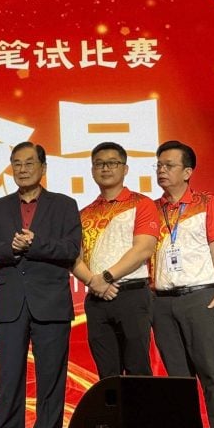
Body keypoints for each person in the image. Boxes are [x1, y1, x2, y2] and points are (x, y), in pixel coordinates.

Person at [0, 141, 81, 428]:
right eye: (16, 164)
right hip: (11, 303)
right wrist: (10, 248)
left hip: (51, 301)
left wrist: (35, 244)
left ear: (43, 167)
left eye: (29, 163)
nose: (22, 169)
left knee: (51, 373)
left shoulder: (64, 205)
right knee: (9, 373)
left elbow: (71, 249)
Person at [150, 140, 214, 428]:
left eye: (169, 165)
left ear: (187, 172)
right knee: (178, 379)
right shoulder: (151, 209)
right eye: (159, 165)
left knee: (212, 372)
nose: (162, 170)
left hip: (200, 298)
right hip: (161, 302)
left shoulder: (206, 202)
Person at [72, 142, 159, 378]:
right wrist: (94, 282)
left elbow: (143, 249)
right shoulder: (84, 213)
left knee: (138, 369)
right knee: (107, 375)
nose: (105, 168)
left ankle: (141, 406)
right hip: (97, 299)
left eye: (112, 163)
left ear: (125, 169)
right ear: (92, 170)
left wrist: (106, 277)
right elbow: (74, 257)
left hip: (132, 296)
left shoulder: (142, 204)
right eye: (99, 164)